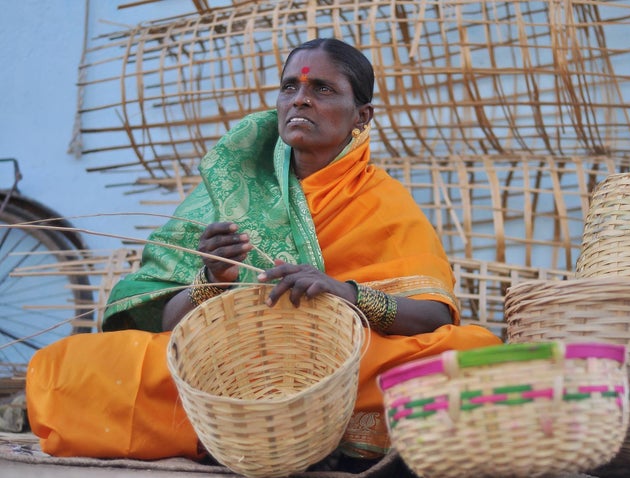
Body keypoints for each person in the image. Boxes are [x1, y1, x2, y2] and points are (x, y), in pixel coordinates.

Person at [26, 38, 501, 470]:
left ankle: (268, 430)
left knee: (474, 351)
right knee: (67, 366)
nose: (301, 99)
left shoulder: (382, 199)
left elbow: (435, 317)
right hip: (232, 359)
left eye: (323, 89)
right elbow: (163, 320)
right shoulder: (230, 188)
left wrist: (345, 294)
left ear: (362, 116)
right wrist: (213, 279)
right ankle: (244, 428)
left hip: (338, 361)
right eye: (289, 87)